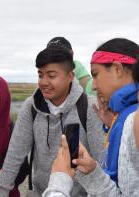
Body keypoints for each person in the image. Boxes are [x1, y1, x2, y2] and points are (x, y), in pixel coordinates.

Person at [0, 47, 105, 196]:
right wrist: (2, 190)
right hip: (40, 192)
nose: (43, 82)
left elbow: (102, 159)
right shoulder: (31, 106)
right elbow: (16, 151)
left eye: (51, 76)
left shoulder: (88, 107)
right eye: (40, 75)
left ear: (70, 76)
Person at [43, 38, 139, 197]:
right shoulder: (122, 117)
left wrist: (59, 179)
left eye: (95, 74)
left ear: (117, 69)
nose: (93, 86)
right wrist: (93, 172)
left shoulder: (133, 120)